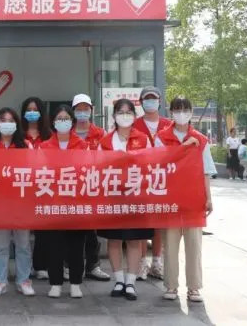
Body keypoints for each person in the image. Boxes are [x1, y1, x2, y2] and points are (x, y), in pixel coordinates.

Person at [155, 96, 215, 303]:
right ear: (171, 112)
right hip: (170, 198)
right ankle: (171, 285)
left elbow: (206, 171)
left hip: (194, 198)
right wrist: (184, 147)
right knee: (170, 245)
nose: (181, 113)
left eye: (185, 109)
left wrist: (209, 198)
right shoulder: (161, 137)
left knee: (194, 245)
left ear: (191, 112)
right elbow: (158, 162)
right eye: (177, 109)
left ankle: (194, 287)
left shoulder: (201, 139)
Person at [97, 98, 153, 301]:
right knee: (114, 239)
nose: (125, 116)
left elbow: (151, 164)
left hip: (136, 196)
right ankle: (118, 280)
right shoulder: (105, 141)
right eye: (121, 112)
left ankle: (131, 282)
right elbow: (99, 167)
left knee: (134, 240)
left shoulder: (144, 139)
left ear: (135, 116)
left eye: (129, 112)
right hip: (113, 197)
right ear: (114, 116)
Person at [40, 104, 88, 299]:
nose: (63, 122)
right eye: (59, 119)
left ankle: (76, 283)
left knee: (76, 245)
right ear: (53, 122)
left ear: (72, 121)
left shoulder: (82, 145)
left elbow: (86, 171)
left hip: (76, 201)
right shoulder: (44, 146)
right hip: (53, 202)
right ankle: (55, 283)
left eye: (66, 118)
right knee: (54, 245)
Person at [0, 108, 35, 297]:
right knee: (0, 245)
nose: (7, 123)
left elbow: (34, 171)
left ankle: (24, 280)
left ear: (16, 124)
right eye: (3, 120)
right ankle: (0, 281)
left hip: (21, 203)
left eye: (10, 120)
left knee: (23, 244)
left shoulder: (26, 146)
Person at [133, 86, 172, 281]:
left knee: (159, 223)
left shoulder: (169, 125)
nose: (150, 102)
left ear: (159, 101)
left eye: (153, 98)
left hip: (163, 180)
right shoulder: (134, 125)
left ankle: (157, 262)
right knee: (141, 222)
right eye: (146, 99)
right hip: (140, 180)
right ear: (141, 102)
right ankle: (141, 262)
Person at [71, 94, 111, 282]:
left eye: (85, 109)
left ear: (91, 110)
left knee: (91, 229)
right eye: (78, 109)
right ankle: (70, 265)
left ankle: (93, 266)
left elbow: (107, 158)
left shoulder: (101, 133)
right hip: (71, 186)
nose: (82, 112)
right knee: (71, 227)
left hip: (93, 185)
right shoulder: (67, 132)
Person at [20, 96, 52, 281]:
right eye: (28, 110)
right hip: (22, 185)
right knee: (23, 230)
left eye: (35, 110)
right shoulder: (19, 134)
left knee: (43, 229)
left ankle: (40, 265)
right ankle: (24, 267)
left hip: (43, 186)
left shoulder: (49, 135)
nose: (32, 113)